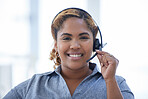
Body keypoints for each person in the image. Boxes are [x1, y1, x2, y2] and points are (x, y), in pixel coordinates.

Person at [3, 8, 134, 99]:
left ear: (95, 43)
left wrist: (110, 80)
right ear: (56, 45)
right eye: (66, 38)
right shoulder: (33, 85)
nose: (75, 45)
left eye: (83, 37)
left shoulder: (116, 83)